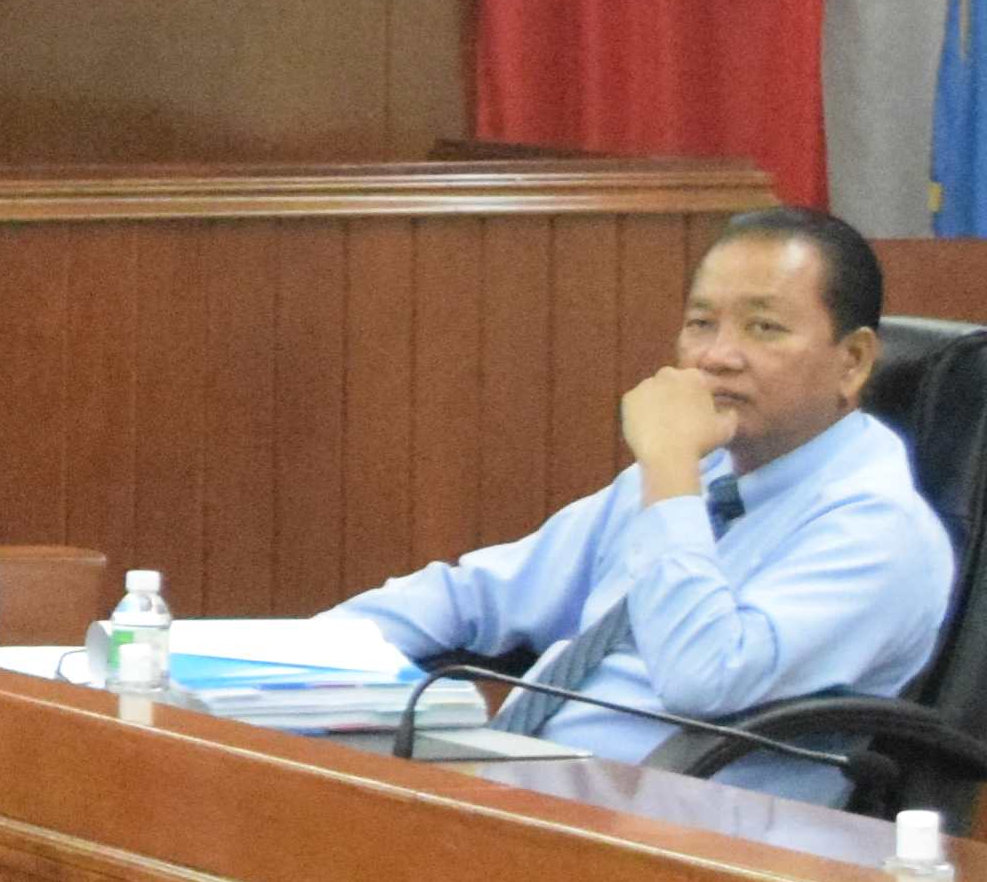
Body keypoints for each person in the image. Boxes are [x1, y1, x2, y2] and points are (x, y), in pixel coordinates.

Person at [325, 204, 955, 802]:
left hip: (697, 844)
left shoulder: (877, 526)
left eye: (763, 327)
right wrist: (290, 660)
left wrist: (672, 473)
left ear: (852, 361)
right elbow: (479, 597)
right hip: (533, 790)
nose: (716, 357)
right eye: (701, 323)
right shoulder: (691, 475)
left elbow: (704, 677)